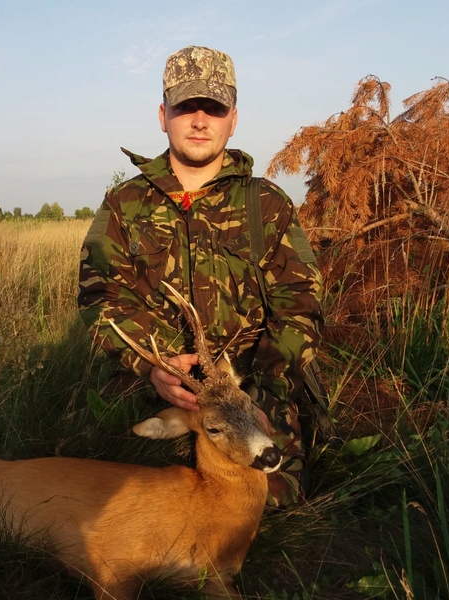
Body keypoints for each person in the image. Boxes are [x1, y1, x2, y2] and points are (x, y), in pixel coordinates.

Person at [78, 45, 324, 507]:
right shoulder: (123, 203)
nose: (199, 119)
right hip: (157, 387)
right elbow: (100, 300)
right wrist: (152, 368)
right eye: (185, 105)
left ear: (232, 119)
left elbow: (301, 304)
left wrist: (264, 390)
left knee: (271, 501)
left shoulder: (266, 203)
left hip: (248, 390)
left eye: (213, 107)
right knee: (121, 495)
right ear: (162, 114)